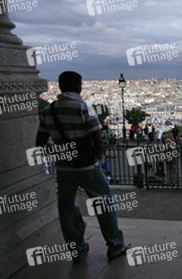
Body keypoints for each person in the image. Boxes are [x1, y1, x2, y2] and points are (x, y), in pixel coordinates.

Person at [35, 71, 127, 263]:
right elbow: (97, 138)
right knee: (103, 203)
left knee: (66, 207)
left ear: (60, 87)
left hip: (63, 168)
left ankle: (76, 248)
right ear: (79, 86)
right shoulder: (84, 108)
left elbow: (40, 142)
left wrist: (61, 151)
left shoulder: (48, 111)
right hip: (87, 166)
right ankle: (114, 244)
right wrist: (97, 156)